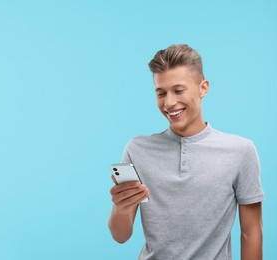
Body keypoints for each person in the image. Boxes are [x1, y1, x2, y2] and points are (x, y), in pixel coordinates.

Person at [108, 44, 265, 260]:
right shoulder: (137, 150)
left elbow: (251, 232)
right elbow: (120, 235)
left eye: (178, 90)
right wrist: (121, 208)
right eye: (161, 93)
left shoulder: (241, 151)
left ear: (203, 88)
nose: (169, 102)